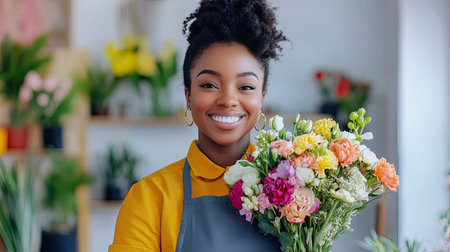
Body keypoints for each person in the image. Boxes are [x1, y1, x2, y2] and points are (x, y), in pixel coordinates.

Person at [109, 0, 287, 251]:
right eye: (209, 85)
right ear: (188, 97)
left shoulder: (293, 191)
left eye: (246, 87)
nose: (227, 100)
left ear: (261, 101)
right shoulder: (150, 198)